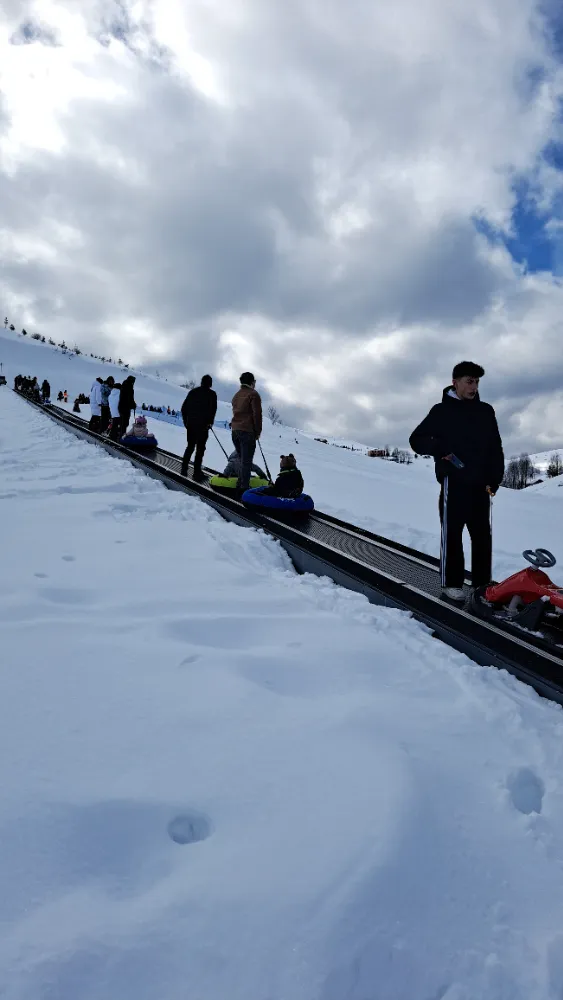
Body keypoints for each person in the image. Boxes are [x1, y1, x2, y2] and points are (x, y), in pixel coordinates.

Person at [409, 361, 505, 601]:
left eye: (477, 382)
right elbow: (417, 439)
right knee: (453, 534)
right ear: (455, 382)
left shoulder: (486, 411)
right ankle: (452, 584)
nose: (474, 387)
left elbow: (496, 447)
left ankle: (482, 584)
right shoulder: (441, 411)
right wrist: (439, 447)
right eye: (469, 381)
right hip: (454, 482)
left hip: (481, 485)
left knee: (482, 536)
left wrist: (495, 479)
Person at [180, 375, 217, 480]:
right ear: (210, 383)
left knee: (190, 447)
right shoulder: (212, 394)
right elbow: (213, 411)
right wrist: (210, 423)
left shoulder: (193, 392)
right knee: (200, 449)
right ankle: (196, 473)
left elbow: (184, 409)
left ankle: (184, 470)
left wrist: (186, 423)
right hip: (203, 427)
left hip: (191, 426)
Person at [230, 372, 262, 493]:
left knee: (241, 458)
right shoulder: (253, 394)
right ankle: (243, 488)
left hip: (235, 431)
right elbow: (257, 415)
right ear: (252, 382)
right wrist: (257, 431)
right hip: (247, 431)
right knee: (246, 462)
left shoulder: (236, 395)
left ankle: (240, 482)